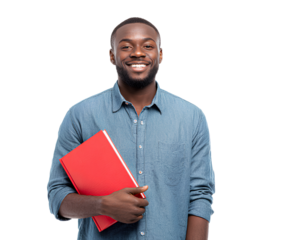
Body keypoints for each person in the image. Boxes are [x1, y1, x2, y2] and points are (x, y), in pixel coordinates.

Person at [46, 15, 215, 240]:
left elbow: (200, 196)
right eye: (126, 46)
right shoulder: (80, 115)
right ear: (111, 56)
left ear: (161, 55)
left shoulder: (192, 117)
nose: (137, 52)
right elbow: (57, 197)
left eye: (147, 45)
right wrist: (103, 205)